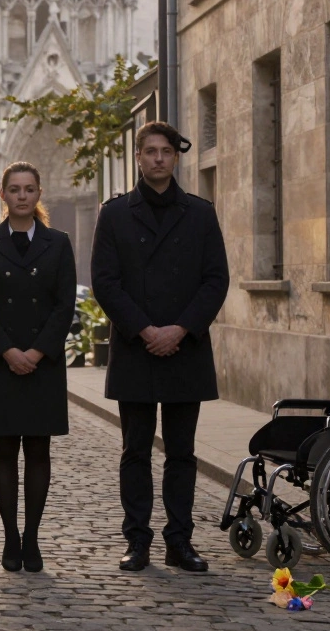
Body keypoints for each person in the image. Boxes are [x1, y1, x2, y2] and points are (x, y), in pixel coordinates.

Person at [89, 120, 229, 573]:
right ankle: (138, 542)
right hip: (136, 349)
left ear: (176, 157)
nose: (158, 159)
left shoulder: (201, 213)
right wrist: (146, 330)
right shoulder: (113, 215)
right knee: (134, 451)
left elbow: (215, 280)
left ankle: (180, 542)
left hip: (185, 349)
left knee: (182, 453)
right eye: (149, 151)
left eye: (165, 151)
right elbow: (105, 282)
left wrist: (181, 329)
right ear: (138, 157)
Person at [0, 161, 76, 573]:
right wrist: (8, 352)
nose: (23, 196)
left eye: (29, 189)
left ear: (39, 193)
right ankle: (11, 537)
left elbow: (65, 305)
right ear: (3, 195)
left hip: (42, 363)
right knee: (4, 450)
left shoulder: (59, 243)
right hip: (1, 363)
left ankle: (32, 538)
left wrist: (38, 352)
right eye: (15, 189)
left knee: (39, 451)